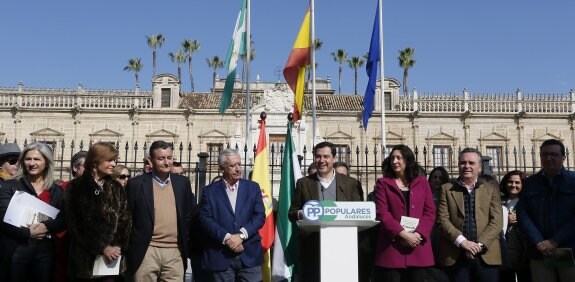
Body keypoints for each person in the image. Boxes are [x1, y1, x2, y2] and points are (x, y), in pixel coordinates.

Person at [288, 141, 363, 282]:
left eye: (326, 156)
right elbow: (292, 212)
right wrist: (302, 214)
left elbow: (359, 211)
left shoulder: (351, 184)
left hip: (343, 248)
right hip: (312, 249)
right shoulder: (304, 183)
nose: (321, 160)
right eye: (318, 156)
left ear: (334, 159)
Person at [126, 140, 196, 281]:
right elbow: (128, 218)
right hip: (146, 250)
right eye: (161, 158)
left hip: (175, 251)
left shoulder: (182, 183)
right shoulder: (136, 184)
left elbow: (189, 215)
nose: (166, 162)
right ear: (150, 161)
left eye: (169, 158)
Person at [0, 142, 66, 282]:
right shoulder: (9, 186)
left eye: (37, 159)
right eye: (28, 159)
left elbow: (64, 219)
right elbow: (2, 218)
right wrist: (28, 233)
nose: (31, 163)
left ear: (46, 162)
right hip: (16, 249)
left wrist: (46, 226)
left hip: (45, 251)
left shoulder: (56, 190)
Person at [65, 142, 132, 281]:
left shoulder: (116, 187)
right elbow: (75, 224)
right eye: (109, 160)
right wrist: (102, 247)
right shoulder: (76, 187)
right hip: (85, 261)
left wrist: (117, 246)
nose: (114, 164)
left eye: (115, 160)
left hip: (112, 262)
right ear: (95, 162)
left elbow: (125, 220)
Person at [436, 148, 503, 282]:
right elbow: (442, 220)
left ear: (480, 167)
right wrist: (463, 242)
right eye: (463, 163)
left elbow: (497, 221)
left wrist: (478, 245)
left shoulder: (491, 189)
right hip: (456, 255)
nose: (467, 166)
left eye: (471, 163)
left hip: (486, 254)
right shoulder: (446, 189)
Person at [199, 149, 265, 281]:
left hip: (249, 255)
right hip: (221, 255)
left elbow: (259, 216)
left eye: (239, 164)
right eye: (233, 165)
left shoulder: (253, 188)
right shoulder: (209, 191)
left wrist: (241, 235)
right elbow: (206, 219)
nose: (238, 169)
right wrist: (228, 238)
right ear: (221, 168)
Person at [373, 144, 436, 282]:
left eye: (399, 158)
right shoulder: (383, 183)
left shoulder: (422, 182)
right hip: (392, 248)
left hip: (418, 246)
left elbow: (430, 212)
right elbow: (383, 213)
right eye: (392, 158)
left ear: (408, 160)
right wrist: (402, 234)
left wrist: (418, 234)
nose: (394, 161)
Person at [517, 139, 575, 281]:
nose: (549, 158)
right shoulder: (530, 183)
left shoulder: (573, 181)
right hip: (539, 251)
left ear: (563, 158)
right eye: (545, 154)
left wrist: (555, 240)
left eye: (553, 154)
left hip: (569, 249)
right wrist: (539, 242)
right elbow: (523, 214)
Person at [499, 170, 531, 282]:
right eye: (510, 182)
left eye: (517, 183)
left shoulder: (528, 201)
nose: (513, 185)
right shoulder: (499, 200)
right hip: (504, 247)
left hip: (524, 247)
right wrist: (505, 219)